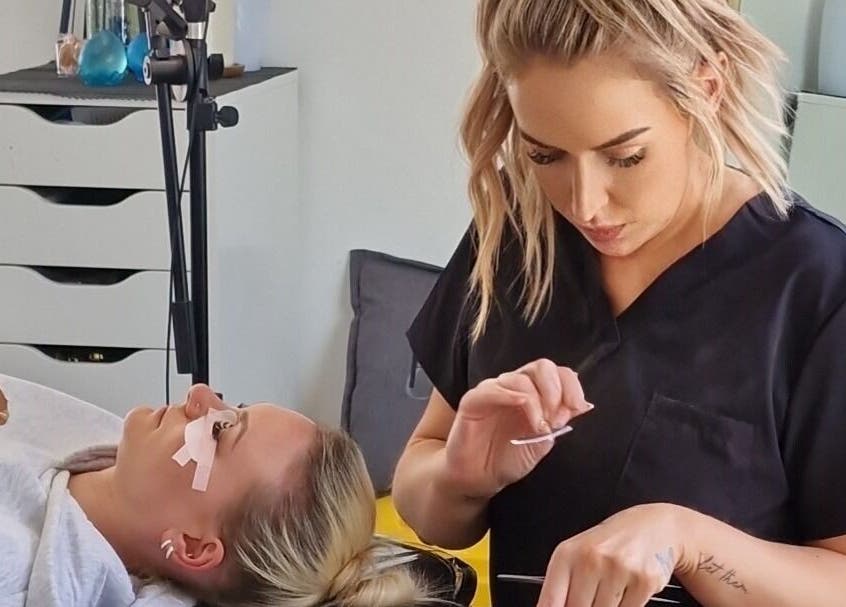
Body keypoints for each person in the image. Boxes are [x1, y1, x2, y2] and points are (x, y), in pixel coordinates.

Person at [392, 1, 846, 606]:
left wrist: (687, 540)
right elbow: (428, 503)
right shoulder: (515, 232)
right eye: (544, 155)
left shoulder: (815, 285)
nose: (583, 204)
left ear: (704, 91)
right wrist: (460, 479)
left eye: (625, 157)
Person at [0, 376, 425, 607]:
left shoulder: (15, 565)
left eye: (220, 431)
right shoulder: (124, 460)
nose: (200, 395)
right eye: (233, 408)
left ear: (192, 546)